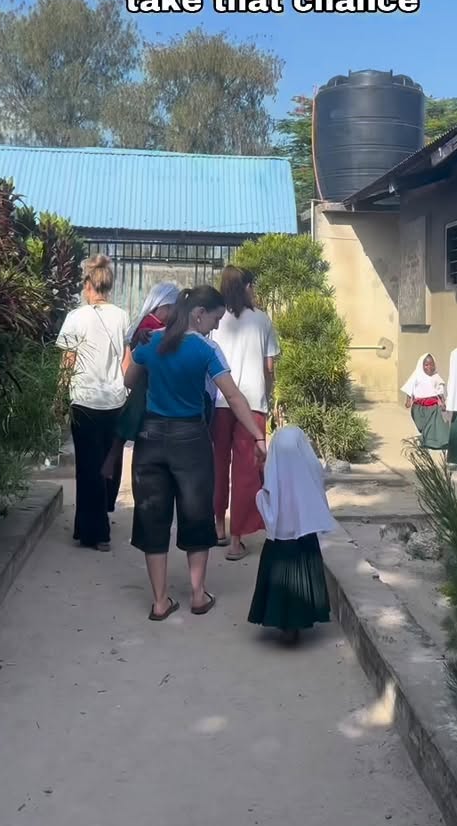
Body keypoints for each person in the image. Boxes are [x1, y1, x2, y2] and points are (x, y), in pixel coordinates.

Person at [125, 285, 267, 621]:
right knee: (196, 514)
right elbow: (233, 397)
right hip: (191, 439)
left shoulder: (150, 341)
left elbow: (129, 381)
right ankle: (198, 595)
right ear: (199, 314)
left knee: (152, 516)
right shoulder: (206, 349)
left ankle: (160, 602)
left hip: (150, 438)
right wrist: (258, 435)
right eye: (215, 319)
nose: (216, 326)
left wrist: (142, 353)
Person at [56, 254, 130, 551]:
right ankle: (97, 521)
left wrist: (59, 395)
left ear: (88, 284)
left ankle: (95, 532)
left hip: (84, 400)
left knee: (87, 467)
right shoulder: (122, 316)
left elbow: (68, 360)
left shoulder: (76, 317)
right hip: (114, 400)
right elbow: (126, 359)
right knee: (109, 463)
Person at [211, 266, 280, 560]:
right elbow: (269, 366)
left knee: (218, 465)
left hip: (219, 401)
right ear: (248, 287)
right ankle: (237, 539)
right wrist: (270, 394)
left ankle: (218, 527)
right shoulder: (262, 320)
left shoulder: (215, 320)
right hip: (251, 404)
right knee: (245, 471)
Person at [248, 426, 336, 646]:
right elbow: (318, 481)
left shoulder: (272, 475)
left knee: (275, 581)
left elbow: (263, 500)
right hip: (305, 538)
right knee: (305, 578)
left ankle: (281, 621)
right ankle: (299, 621)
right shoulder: (310, 471)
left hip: (278, 542)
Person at [101, 282, 180, 484]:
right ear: (163, 306)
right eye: (173, 308)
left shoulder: (165, 325)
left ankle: (114, 455)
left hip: (159, 380)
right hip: (146, 380)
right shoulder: (148, 324)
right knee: (133, 411)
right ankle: (113, 456)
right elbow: (136, 347)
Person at [401, 353, 449, 450]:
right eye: (426, 365)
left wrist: (443, 402)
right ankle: (428, 440)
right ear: (421, 365)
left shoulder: (436, 377)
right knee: (424, 425)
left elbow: (440, 390)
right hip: (419, 407)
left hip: (433, 406)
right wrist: (408, 400)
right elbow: (409, 388)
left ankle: (437, 442)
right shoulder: (417, 376)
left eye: (432, 364)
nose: (429, 367)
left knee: (434, 424)